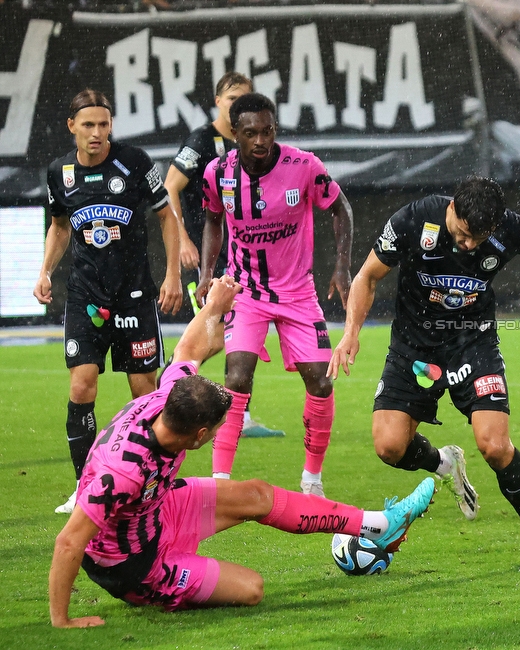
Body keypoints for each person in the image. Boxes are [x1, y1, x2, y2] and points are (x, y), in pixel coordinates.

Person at [48, 274, 434, 628]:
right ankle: (154, 589)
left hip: (156, 508)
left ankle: (380, 526)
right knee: (251, 589)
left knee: (258, 495)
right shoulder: (124, 472)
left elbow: (189, 348)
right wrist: (62, 620)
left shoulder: (169, 396)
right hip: (135, 565)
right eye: (217, 429)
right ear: (199, 435)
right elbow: (69, 541)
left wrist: (216, 307)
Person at [328, 176, 520, 572]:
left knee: (494, 445)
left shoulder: (512, 228)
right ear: (451, 208)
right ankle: (445, 465)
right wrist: (351, 333)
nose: (469, 245)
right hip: (414, 347)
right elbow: (367, 276)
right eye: (464, 234)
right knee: (389, 447)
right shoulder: (415, 220)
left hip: (473, 343)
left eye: (478, 238)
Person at [195, 92, 354, 497]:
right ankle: (219, 483)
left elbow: (341, 209)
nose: (261, 140)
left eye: (267, 131)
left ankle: (312, 480)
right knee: (236, 377)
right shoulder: (218, 174)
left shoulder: (303, 166)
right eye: (251, 133)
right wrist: (206, 275)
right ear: (234, 133)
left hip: (298, 294)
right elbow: (213, 219)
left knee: (321, 383)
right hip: (245, 290)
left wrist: (342, 265)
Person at [34, 89, 183, 515]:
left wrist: (172, 275)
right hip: (85, 296)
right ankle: (84, 488)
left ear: (111, 125)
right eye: (88, 125)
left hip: (134, 297)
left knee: (144, 392)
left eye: (103, 124)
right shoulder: (58, 172)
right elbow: (59, 228)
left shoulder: (134, 163)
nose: (97, 133)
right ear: (72, 128)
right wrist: (44, 271)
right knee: (82, 385)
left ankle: (154, 483)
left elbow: (166, 216)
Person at [163, 72, 280, 438]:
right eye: (231, 99)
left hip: (241, 255)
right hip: (213, 256)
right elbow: (170, 186)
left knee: (238, 335)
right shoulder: (202, 141)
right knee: (218, 334)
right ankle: (173, 381)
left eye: (243, 100)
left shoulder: (251, 140)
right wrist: (183, 238)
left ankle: (235, 412)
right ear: (218, 102)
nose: (236, 106)